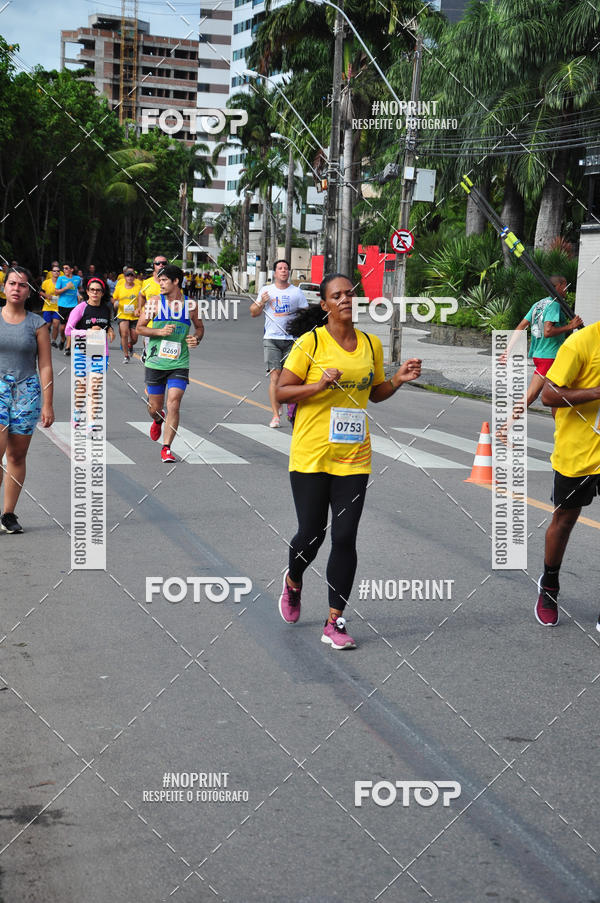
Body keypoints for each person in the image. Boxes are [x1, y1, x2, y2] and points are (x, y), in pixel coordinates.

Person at [275, 273, 422, 649]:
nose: (345, 299)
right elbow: (282, 390)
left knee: (344, 536)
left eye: (349, 293)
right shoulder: (310, 342)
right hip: (311, 454)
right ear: (324, 305)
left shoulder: (371, 344)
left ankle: (334, 621)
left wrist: (398, 379)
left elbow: (376, 393)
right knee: (311, 535)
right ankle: (293, 582)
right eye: (336, 295)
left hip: (354, 457)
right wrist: (318, 385)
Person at [534, 318, 600, 629]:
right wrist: (596, 392)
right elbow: (548, 395)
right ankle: (549, 586)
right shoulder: (581, 343)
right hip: (579, 451)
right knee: (564, 520)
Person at [0, 266, 54, 533]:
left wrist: (47, 403)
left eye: (22, 285)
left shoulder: (37, 324)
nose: (16, 288)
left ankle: (8, 514)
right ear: (4, 287)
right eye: (12, 283)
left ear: (28, 291)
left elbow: (44, 365)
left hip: (26, 391)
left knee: (17, 456)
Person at [136, 264, 204, 463]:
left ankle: (166, 448)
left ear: (176, 282)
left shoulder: (190, 305)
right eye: (159, 279)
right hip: (156, 362)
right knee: (154, 408)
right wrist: (159, 332)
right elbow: (139, 328)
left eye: (164, 280)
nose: (160, 283)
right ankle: (158, 419)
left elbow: (199, 328)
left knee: (174, 402)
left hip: (179, 362)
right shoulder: (154, 303)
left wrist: (196, 338)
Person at [500, 276, 582, 415]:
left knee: (555, 395)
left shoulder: (538, 304)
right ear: (559, 286)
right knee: (535, 395)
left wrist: (508, 350)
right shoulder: (555, 305)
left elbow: (521, 327)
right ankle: (504, 428)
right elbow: (548, 331)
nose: (567, 290)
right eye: (565, 287)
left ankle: (560, 432)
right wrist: (570, 326)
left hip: (539, 355)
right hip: (550, 356)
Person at [250, 259, 309, 428]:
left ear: (288, 272)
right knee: (275, 376)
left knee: (291, 378)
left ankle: (289, 406)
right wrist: (262, 301)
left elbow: (304, 315)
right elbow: (253, 312)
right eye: (280, 268)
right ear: (275, 273)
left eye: (286, 268)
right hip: (271, 339)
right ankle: (275, 415)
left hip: (292, 340)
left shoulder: (296, 292)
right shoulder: (266, 290)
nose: (283, 270)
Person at [65, 278, 114, 424]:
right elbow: (68, 330)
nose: (95, 293)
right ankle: (77, 412)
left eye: (98, 290)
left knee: (95, 389)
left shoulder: (106, 308)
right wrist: (88, 332)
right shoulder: (81, 308)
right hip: (82, 353)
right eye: (92, 290)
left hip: (100, 353)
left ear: (102, 293)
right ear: (87, 291)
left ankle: (92, 424)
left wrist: (110, 330)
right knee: (81, 389)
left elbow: (105, 325)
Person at [137, 254, 168, 363]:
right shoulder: (147, 282)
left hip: (165, 323)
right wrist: (140, 308)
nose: (161, 265)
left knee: (164, 356)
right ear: (153, 266)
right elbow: (141, 295)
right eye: (158, 263)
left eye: (164, 263)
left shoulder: (172, 283)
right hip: (149, 323)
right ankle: (146, 352)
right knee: (151, 358)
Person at [112, 268, 141, 362]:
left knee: (134, 338)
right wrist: (115, 303)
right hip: (122, 314)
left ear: (134, 277)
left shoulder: (138, 287)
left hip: (134, 315)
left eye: (132, 275)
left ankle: (130, 344)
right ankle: (126, 355)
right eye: (128, 275)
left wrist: (139, 308)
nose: (130, 277)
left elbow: (142, 299)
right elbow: (113, 298)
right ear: (124, 277)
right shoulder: (120, 287)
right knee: (124, 334)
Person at [55, 262, 82, 355]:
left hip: (73, 306)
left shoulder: (77, 279)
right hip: (62, 305)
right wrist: (66, 287)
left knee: (71, 326)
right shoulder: (60, 279)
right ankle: (63, 339)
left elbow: (79, 288)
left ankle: (68, 347)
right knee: (62, 328)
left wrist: (79, 295)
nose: (64, 270)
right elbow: (56, 292)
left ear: (71, 270)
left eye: (66, 268)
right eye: (64, 268)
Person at [40, 264, 61, 346]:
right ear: (52, 272)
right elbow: (40, 292)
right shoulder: (46, 282)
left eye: (58, 271)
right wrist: (46, 296)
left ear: (59, 273)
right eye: (54, 271)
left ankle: (53, 341)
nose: (56, 272)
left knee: (56, 324)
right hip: (47, 306)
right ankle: (44, 338)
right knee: (47, 325)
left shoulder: (62, 282)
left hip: (57, 307)